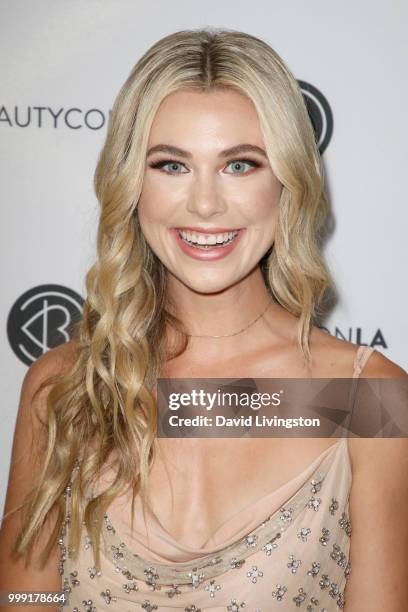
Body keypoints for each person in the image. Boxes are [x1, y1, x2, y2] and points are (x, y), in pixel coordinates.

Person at [0, 27, 407, 612]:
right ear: (131, 183)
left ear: (287, 182)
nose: (206, 204)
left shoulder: (366, 399)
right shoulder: (63, 388)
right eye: (171, 165)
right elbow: (24, 599)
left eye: (239, 165)